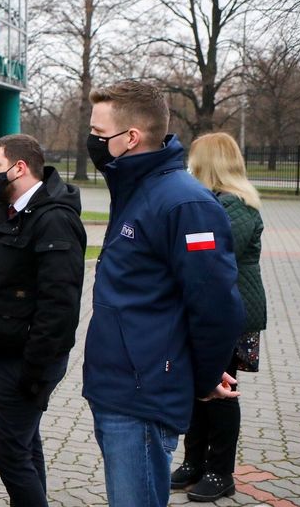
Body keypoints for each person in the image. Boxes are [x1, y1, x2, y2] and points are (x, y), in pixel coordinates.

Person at [82, 81, 246, 507]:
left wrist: (206, 375)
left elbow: (216, 306)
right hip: (116, 386)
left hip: (144, 394)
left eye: (100, 134)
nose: (93, 142)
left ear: (130, 138)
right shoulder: (135, 190)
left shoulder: (183, 203)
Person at [0, 134, 86, 506]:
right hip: (4, 355)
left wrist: (34, 372)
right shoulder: (14, 213)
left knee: (8, 453)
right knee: (25, 447)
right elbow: (7, 278)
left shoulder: (53, 219)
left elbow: (60, 305)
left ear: (19, 168)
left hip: (25, 360)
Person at [171, 132, 267, 501]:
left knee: (221, 390)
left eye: (195, 159)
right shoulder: (213, 203)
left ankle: (220, 471)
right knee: (200, 388)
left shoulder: (237, 206)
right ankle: (194, 462)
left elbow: (208, 249)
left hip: (231, 313)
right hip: (209, 311)